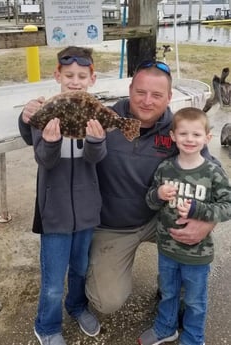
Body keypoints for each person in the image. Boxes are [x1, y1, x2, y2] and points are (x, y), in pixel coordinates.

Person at [85, 60, 217, 316]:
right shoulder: (103, 120)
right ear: (130, 89)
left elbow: (215, 178)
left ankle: (171, 286)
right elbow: (57, 129)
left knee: (194, 242)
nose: (147, 101)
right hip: (113, 225)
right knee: (107, 303)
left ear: (169, 97)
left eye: (157, 95)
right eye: (140, 92)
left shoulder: (179, 130)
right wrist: (30, 117)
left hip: (163, 217)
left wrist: (206, 223)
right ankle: (94, 266)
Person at [18, 46, 106, 345]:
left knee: (80, 268)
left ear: (92, 78)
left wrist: (96, 140)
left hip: (86, 211)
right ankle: (47, 326)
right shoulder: (45, 111)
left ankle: (77, 306)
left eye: (82, 75)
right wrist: (51, 142)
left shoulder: (95, 109)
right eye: (69, 75)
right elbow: (44, 159)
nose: (75, 81)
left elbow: (97, 159)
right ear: (57, 75)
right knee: (54, 280)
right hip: (53, 214)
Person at [138, 107, 231, 345]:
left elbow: (227, 205)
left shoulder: (213, 173)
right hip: (167, 249)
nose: (190, 139)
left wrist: (198, 211)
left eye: (197, 135)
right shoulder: (165, 168)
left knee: (195, 301)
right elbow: (150, 201)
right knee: (168, 294)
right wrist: (158, 194)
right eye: (184, 134)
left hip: (197, 254)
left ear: (207, 138)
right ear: (173, 137)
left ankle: (193, 338)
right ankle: (165, 328)